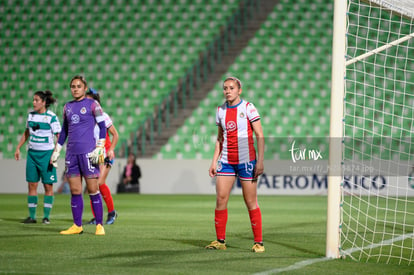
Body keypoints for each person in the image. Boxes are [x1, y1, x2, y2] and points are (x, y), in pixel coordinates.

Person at [205, 77, 265, 253]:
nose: (227, 91)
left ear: (239, 90)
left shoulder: (248, 108)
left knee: (250, 201)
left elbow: (260, 135)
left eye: (231, 88)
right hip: (226, 161)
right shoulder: (220, 110)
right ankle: (220, 241)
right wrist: (214, 161)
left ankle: (259, 243)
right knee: (221, 199)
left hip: (246, 161)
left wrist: (260, 161)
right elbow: (219, 138)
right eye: (225, 88)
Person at [51, 75, 106, 235]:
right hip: (72, 155)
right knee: (75, 190)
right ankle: (77, 226)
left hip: (88, 153)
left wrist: (100, 146)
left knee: (92, 189)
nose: (75, 89)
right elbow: (64, 131)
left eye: (78, 86)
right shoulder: (67, 107)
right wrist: (57, 150)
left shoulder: (92, 104)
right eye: (73, 86)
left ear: (84, 88)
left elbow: (102, 126)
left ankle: (99, 225)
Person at [14, 91, 61, 224]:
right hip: (32, 154)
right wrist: (18, 147)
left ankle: (46, 217)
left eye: (36, 100)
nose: (33, 103)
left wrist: (55, 153)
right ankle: (32, 217)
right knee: (32, 184)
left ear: (44, 102)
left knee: (48, 186)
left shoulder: (52, 117)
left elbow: (59, 136)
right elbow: (27, 132)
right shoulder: (31, 116)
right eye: (33, 100)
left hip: (47, 155)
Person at [85, 88, 119, 225]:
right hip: (94, 154)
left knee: (99, 183)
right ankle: (97, 217)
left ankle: (112, 212)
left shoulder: (103, 116)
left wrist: (111, 149)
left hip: (105, 152)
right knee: (92, 187)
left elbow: (115, 135)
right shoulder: (86, 118)